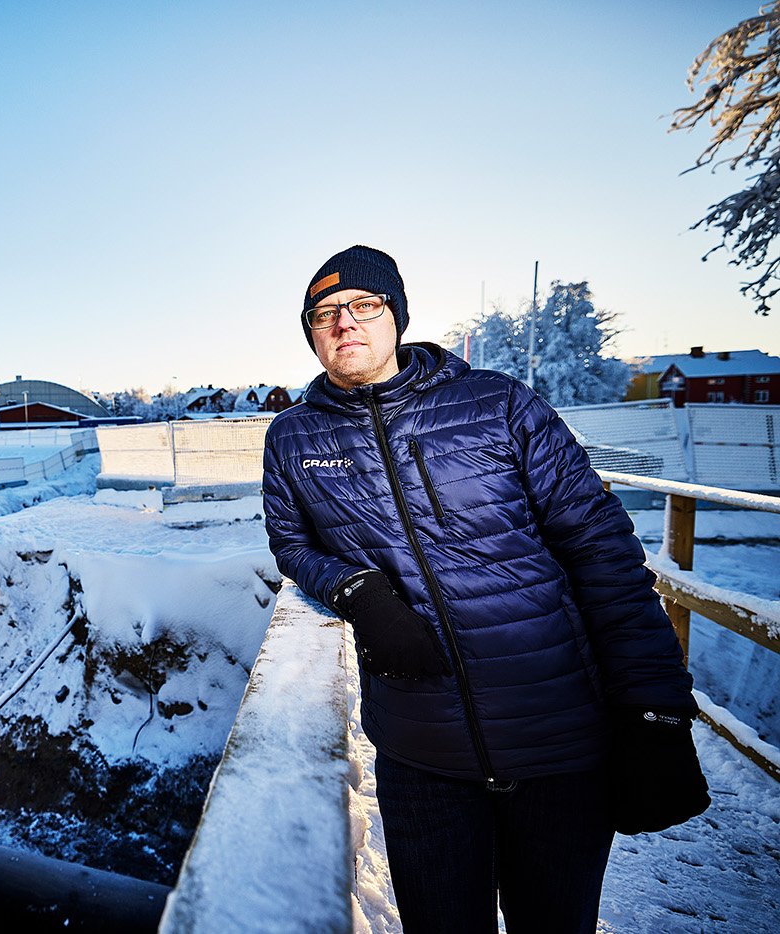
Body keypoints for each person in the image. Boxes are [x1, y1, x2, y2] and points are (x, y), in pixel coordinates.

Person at [261, 245, 709, 934]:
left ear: (396, 316)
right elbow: (293, 544)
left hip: (559, 741)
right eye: (324, 314)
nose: (344, 323)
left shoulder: (497, 404)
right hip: (421, 756)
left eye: (363, 306)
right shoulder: (293, 438)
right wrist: (357, 592)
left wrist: (657, 712)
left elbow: (603, 554)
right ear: (311, 333)